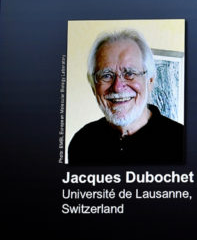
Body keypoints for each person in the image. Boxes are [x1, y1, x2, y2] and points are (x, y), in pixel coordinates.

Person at [68, 29, 184, 165]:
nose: (117, 87)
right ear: (94, 86)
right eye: (106, 75)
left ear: (150, 81)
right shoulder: (82, 142)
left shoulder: (181, 141)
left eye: (129, 73)